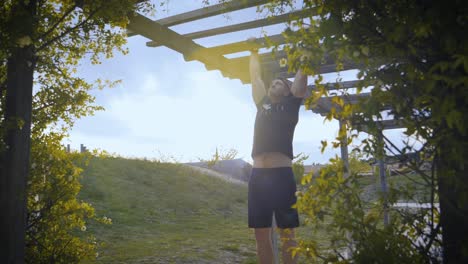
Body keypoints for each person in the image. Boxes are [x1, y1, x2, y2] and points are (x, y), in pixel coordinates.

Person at [248, 43, 308, 264]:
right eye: (272, 82)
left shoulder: (291, 106)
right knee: (261, 234)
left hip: (281, 176)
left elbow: (301, 80)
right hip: (257, 177)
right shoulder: (262, 105)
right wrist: (253, 52)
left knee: (287, 233)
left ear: (287, 90)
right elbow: (255, 77)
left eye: (280, 83)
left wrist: (305, 56)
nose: (274, 83)